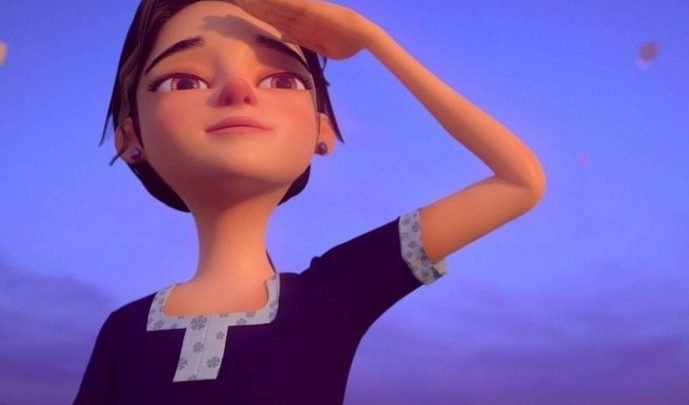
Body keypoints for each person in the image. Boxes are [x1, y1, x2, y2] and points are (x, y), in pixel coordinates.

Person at [74, 0, 546, 403]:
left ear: (322, 130)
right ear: (130, 137)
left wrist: (373, 40)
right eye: (183, 81)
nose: (237, 91)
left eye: (281, 80)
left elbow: (519, 182)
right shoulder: (124, 330)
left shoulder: (336, 293)